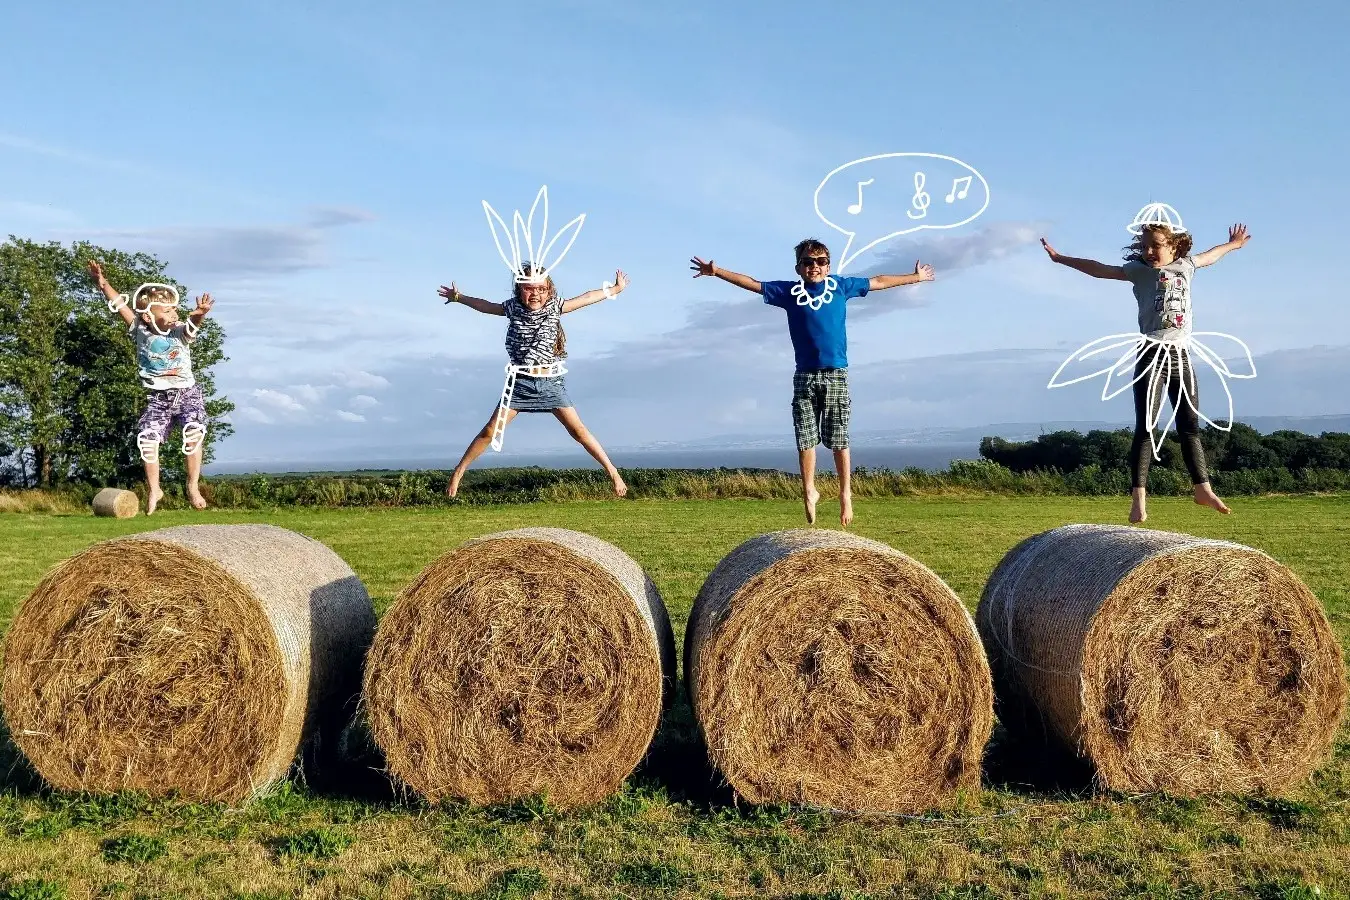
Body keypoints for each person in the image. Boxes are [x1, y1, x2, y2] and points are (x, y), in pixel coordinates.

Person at [690, 240, 933, 526]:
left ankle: (845, 494)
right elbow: (752, 283)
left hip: (836, 373)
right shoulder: (790, 292)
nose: (814, 266)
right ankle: (809, 490)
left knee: (838, 439)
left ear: (828, 265)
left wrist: (915, 277)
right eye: (808, 262)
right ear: (798, 268)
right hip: (804, 375)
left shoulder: (841, 286)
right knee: (805, 438)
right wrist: (716, 272)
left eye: (820, 261)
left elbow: (878, 280)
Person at [1041, 216, 1251, 522]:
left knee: (1189, 426)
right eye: (1145, 246)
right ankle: (1139, 498)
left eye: (1156, 245)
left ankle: (1202, 488)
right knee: (1147, 428)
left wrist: (1233, 245)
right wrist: (1060, 259)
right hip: (1151, 354)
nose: (1149, 251)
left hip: (1181, 355)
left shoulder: (1187, 266)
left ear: (1174, 245)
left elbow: (1212, 255)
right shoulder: (1137, 271)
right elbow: (1099, 269)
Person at [438, 264, 629, 499]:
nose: (535, 294)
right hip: (520, 384)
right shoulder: (512, 308)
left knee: (578, 431)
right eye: (529, 289)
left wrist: (615, 289)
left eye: (541, 289)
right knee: (490, 431)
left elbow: (588, 297)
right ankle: (458, 472)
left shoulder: (555, 306)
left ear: (549, 290)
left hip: (551, 383)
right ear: (519, 290)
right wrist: (459, 297)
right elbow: (486, 306)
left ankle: (613, 473)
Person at [87, 260, 215, 514]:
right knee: (147, 442)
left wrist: (199, 313)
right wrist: (102, 283)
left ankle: (192, 486)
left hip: (187, 394)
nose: (174, 315)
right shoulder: (140, 329)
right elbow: (120, 305)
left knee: (193, 435)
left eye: (175, 310)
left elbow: (193, 325)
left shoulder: (179, 332)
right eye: (167, 312)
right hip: (159, 399)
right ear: (148, 316)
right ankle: (155, 489)